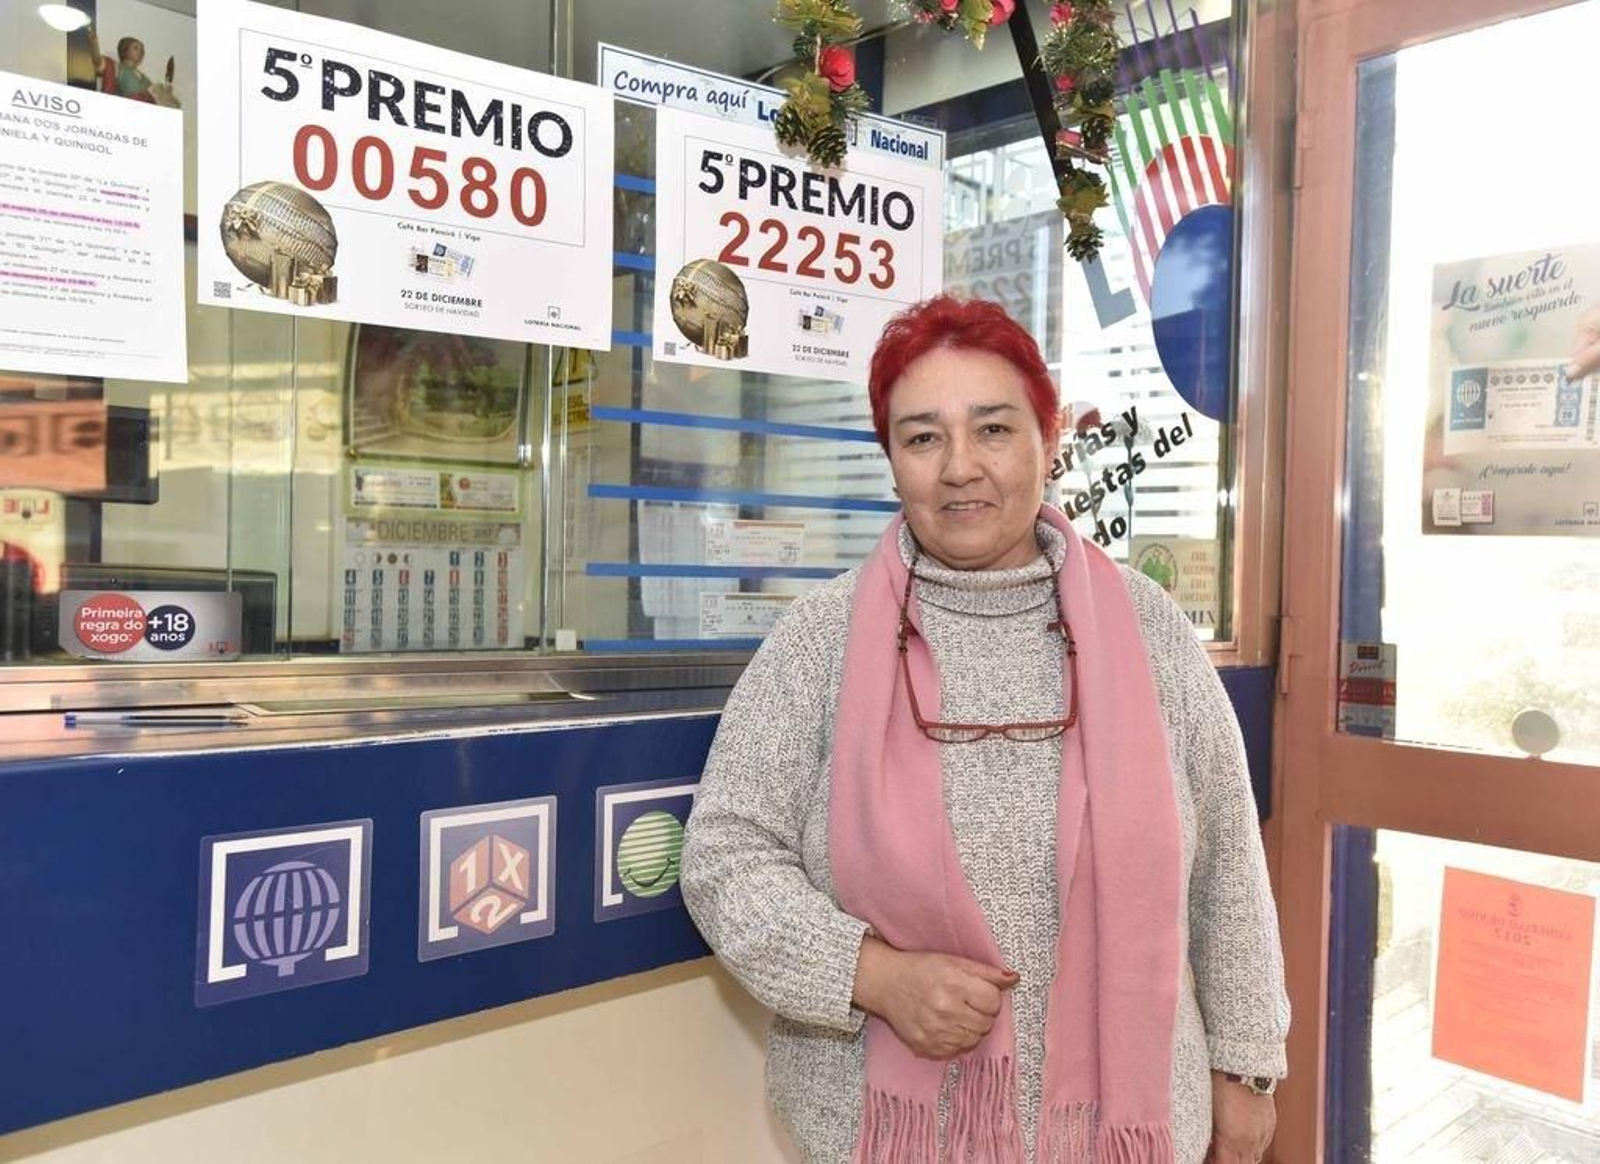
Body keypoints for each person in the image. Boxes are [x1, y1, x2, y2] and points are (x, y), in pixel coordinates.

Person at [681, 295, 1289, 1164]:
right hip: (883, 1136)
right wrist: (874, 977)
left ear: (1049, 442)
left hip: (1129, 1129)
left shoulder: (1147, 628)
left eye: (994, 430)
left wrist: (1248, 1066)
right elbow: (726, 856)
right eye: (923, 437)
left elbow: (1229, 859)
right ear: (892, 462)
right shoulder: (821, 639)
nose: (960, 467)